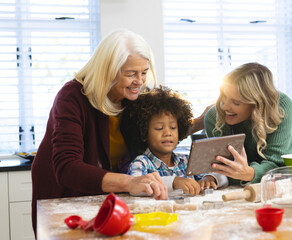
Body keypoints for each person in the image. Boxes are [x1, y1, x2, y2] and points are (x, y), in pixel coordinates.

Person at [30, 29, 207, 233]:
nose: (139, 81)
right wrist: (130, 182)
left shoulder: (133, 98)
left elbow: (157, 134)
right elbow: (68, 167)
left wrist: (201, 121)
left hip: (106, 196)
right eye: (131, 74)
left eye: (144, 72)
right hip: (64, 195)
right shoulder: (72, 97)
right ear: (107, 71)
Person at [124, 86, 228, 195]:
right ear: (144, 133)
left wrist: (209, 178)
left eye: (173, 127)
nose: (167, 133)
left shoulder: (187, 161)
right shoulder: (141, 163)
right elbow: (137, 186)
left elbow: (223, 176)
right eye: (159, 128)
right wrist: (174, 182)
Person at [204, 62, 292, 185]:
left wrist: (250, 173)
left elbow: (278, 165)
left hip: (279, 181)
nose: (224, 106)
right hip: (242, 183)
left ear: (257, 104)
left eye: (236, 102)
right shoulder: (214, 117)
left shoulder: (280, 107)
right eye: (224, 96)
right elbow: (224, 168)